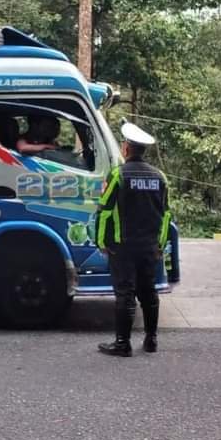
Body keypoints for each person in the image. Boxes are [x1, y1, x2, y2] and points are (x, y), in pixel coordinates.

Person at [95, 122, 171, 357]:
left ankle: (122, 343)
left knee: (125, 293)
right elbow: (166, 214)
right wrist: (161, 245)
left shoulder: (118, 175)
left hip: (123, 246)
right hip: (149, 247)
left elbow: (104, 211)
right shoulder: (160, 177)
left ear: (126, 148)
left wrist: (102, 242)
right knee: (148, 292)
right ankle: (151, 340)